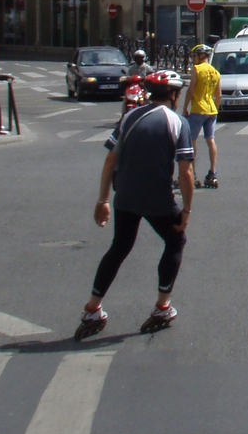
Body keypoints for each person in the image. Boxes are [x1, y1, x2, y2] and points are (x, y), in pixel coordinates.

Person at [75, 69, 195, 339]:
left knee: (119, 247)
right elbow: (186, 171)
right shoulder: (178, 123)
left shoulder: (129, 117)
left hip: (124, 196)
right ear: (175, 95)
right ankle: (163, 306)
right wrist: (186, 209)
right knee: (176, 241)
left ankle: (92, 309)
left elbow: (110, 160)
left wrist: (103, 200)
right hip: (158, 198)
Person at [182, 43, 221, 188]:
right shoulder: (215, 72)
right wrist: (215, 109)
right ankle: (213, 171)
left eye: (194, 56)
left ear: (201, 56)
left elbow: (191, 90)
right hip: (211, 110)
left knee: (192, 140)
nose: (193, 59)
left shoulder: (197, 69)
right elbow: (219, 95)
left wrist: (185, 107)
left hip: (198, 109)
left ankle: (192, 171)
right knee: (210, 140)